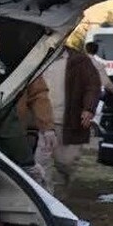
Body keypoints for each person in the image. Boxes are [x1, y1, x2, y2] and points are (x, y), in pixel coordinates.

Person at [35, 45, 101, 197]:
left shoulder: (79, 61)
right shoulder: (36, 56)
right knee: (40, 161)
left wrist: (89, 108)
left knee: (65, 162)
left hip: (68, 120)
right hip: (41, 120)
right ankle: (47, 199)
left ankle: (61, 187)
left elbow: (93, 86)